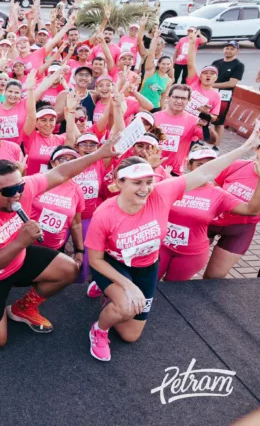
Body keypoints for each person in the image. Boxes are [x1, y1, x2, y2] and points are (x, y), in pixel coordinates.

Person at [85, 124, 260, 362]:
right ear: (119, 183)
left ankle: (114, 293)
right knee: (126, 306)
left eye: (148, 181)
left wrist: (247, 146)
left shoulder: (162, 192)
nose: (145, 189)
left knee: (130, 335)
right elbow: (94, 259)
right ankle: (99, 329)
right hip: (114, 263)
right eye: (137, 183)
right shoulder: (104, 213)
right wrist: (126, 284)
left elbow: (206, 173)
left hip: (147, 266)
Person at [0, 135, 119, 348]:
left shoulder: (22, 188)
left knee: (71, 269)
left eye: (20, 187)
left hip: (17, 258)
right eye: (8, 192)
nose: (16, 195)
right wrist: (21, 242)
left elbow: (61, 172)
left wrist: (99, 154)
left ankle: (22, 308)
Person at [159, 146, 260, 281]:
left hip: (231, 233)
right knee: (148, 283)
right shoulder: (174, 184)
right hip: (169, 243)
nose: (205, 169)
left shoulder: (219, 195)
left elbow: (250, 210)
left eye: (210, 165)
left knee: (204, 281)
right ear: (189, 164)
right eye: (200, 165)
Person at [206, 139, 260, 279]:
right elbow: (215, 187)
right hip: (211, 221)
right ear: (256, 150)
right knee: (184, 266)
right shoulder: (237, 166)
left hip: (240, 229)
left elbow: (254, 210)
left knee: (213, 278)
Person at [154, 85, 216, 175]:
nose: (179, 101)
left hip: (174, 171)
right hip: (153, 166)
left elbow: (210, 140)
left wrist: (206, 126)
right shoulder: (155, 117)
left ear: (188, 101)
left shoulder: (193, 120)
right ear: (168, 97)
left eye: (183, 98)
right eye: (176, 97)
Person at [211, 41, 245, 149]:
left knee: (218, 122)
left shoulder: (238, 65)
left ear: (237, 51)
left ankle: (216, 145)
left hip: (224, 96)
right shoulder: (216, 62)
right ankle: (206, 140)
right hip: (211, 93)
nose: (228, 51)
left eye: (232, 49)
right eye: (227, 48)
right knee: (206, 118)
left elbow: (232, 83)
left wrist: (212, 85)